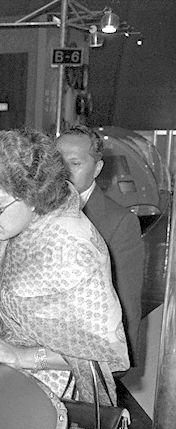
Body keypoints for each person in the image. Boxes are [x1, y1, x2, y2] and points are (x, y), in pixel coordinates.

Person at [0, 128, 130, 429]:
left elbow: (110, 354)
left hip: (65, 410)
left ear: (34, 196)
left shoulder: (70, 245)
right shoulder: (22, 227)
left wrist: (24, 356)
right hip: (21, 400)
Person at [56, 125, 144, 366]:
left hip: (88, 356)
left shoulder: (119, 222)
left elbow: (126, 299)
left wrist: (120, 362)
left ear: (97, 169)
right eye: (57, 162)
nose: (62, 172)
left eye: (74, 163)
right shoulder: (32, 210)